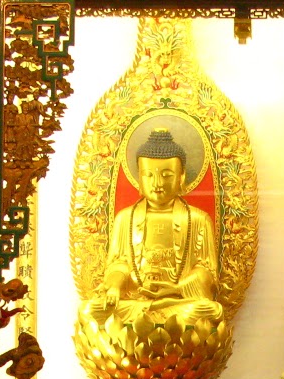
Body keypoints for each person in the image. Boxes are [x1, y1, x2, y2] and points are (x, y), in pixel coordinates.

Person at [88, 128, 224, 331]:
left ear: (182, 176)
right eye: (148, 175)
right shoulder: (125, 218)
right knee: (90, 310)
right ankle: (155, 315)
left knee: (209, 310)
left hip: (178, 303)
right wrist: (115, 287)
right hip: (135, 303)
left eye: (167, 175)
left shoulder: (197, 219)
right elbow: (118, 264)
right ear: (139, 178)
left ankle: (159, 312)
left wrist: (177, 289)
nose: (157, 183)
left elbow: (207, 272)